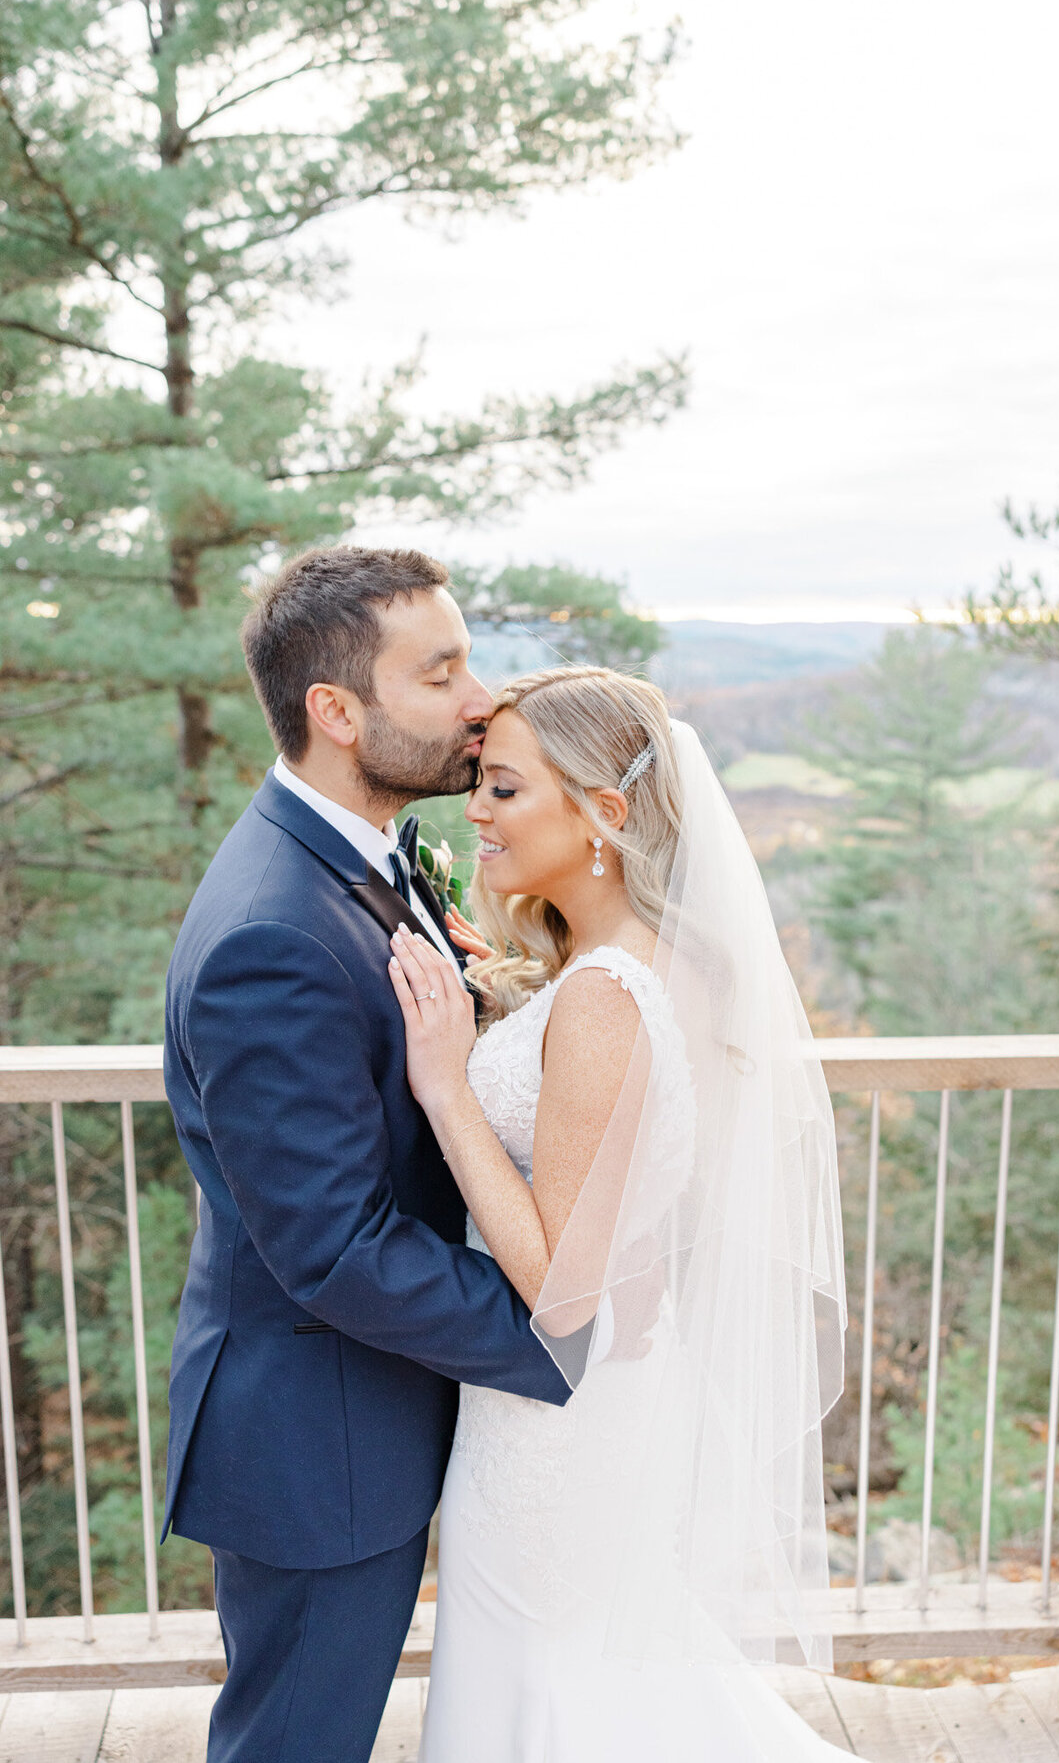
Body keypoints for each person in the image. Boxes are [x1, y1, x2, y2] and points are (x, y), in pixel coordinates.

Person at [387, 665, 853, 1762]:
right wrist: (510, 996)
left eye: (505, 788)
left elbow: (559, 1288)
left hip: (557, 1414)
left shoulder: (603, 997)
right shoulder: (657, 962)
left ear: (605, 810)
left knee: (546, 1683)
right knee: (605, 1675)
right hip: (627, 1389)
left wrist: (451, 1084)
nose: (477, 811)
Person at [161, 545, 572, 1763]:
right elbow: (333, 1244)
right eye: (441, 671)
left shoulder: (367, 859)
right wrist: (557, 1328)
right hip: (314, 1440)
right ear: (336, 711)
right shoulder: (268, 936)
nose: (480, 700)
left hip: (369, 1407)